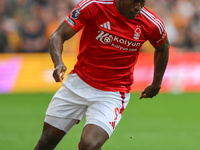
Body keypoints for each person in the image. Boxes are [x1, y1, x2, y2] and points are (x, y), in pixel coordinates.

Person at [34, 0, 169, 149]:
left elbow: (163, 47)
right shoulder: (94, 6)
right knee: (46, 142)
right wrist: (58, 63)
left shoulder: (151, 23)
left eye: (142, 1)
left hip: (112, 93)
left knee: (89, 145)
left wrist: (156, 84)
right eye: (133, 1)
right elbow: (58, 35)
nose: (138, 6)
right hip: (78, 83)